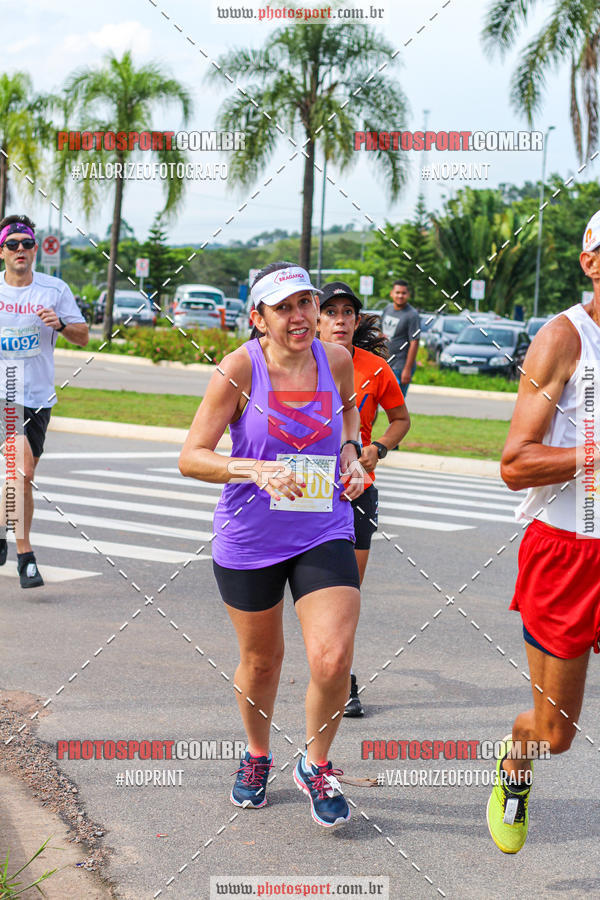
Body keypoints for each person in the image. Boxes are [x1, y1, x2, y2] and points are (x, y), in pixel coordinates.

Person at [179, 261, 366, 827]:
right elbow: (192, 456)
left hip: (321, 526)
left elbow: (349, 412)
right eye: (282, 308)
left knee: (332, 657)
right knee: (263, 662)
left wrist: (353, 452)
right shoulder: (238, 369)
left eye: (305, 303)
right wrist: (253, 470)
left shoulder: (336, 360)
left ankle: (316, 764)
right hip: (251, 536)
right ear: (258, 318)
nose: (300, 316)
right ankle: (257, 754)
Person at [486, 211, 600, 854]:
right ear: (591, 263)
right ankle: (515, 762)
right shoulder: (565, 339)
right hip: (569, 551)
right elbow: (514, 463)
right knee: (555, 732)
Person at [318, 281, 410, 716]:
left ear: (356, 321)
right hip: (303, 493)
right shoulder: (293, 362)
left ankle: (343, 680)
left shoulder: (375, 367)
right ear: (315, 320)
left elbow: (401, 418)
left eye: (347, 313)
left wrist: (380, 449)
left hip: (357, 492)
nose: (339, 320)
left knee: (345, 596)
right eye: (330, 312)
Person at [0, 215, 88, 588]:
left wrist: (60, 325)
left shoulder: (53, 290)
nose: (20, 250)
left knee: (19, 475)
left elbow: (83, 337)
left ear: (35, 250)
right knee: (21, 471)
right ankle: (25, 556)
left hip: (36, 397)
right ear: (2, 251)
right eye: (13, 244)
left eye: (26, 244)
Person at [380, 280, 420, 396]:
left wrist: (407, 369)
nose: (400, 296)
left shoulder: (412, 315)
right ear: (391, 293)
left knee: (396, 405)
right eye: (397, 292)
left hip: (400, 366)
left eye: (403, 293)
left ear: (408, 295)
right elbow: (380, 333)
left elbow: (414, 342)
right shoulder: (387, 309)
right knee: (375, 400)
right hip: (385, 363)